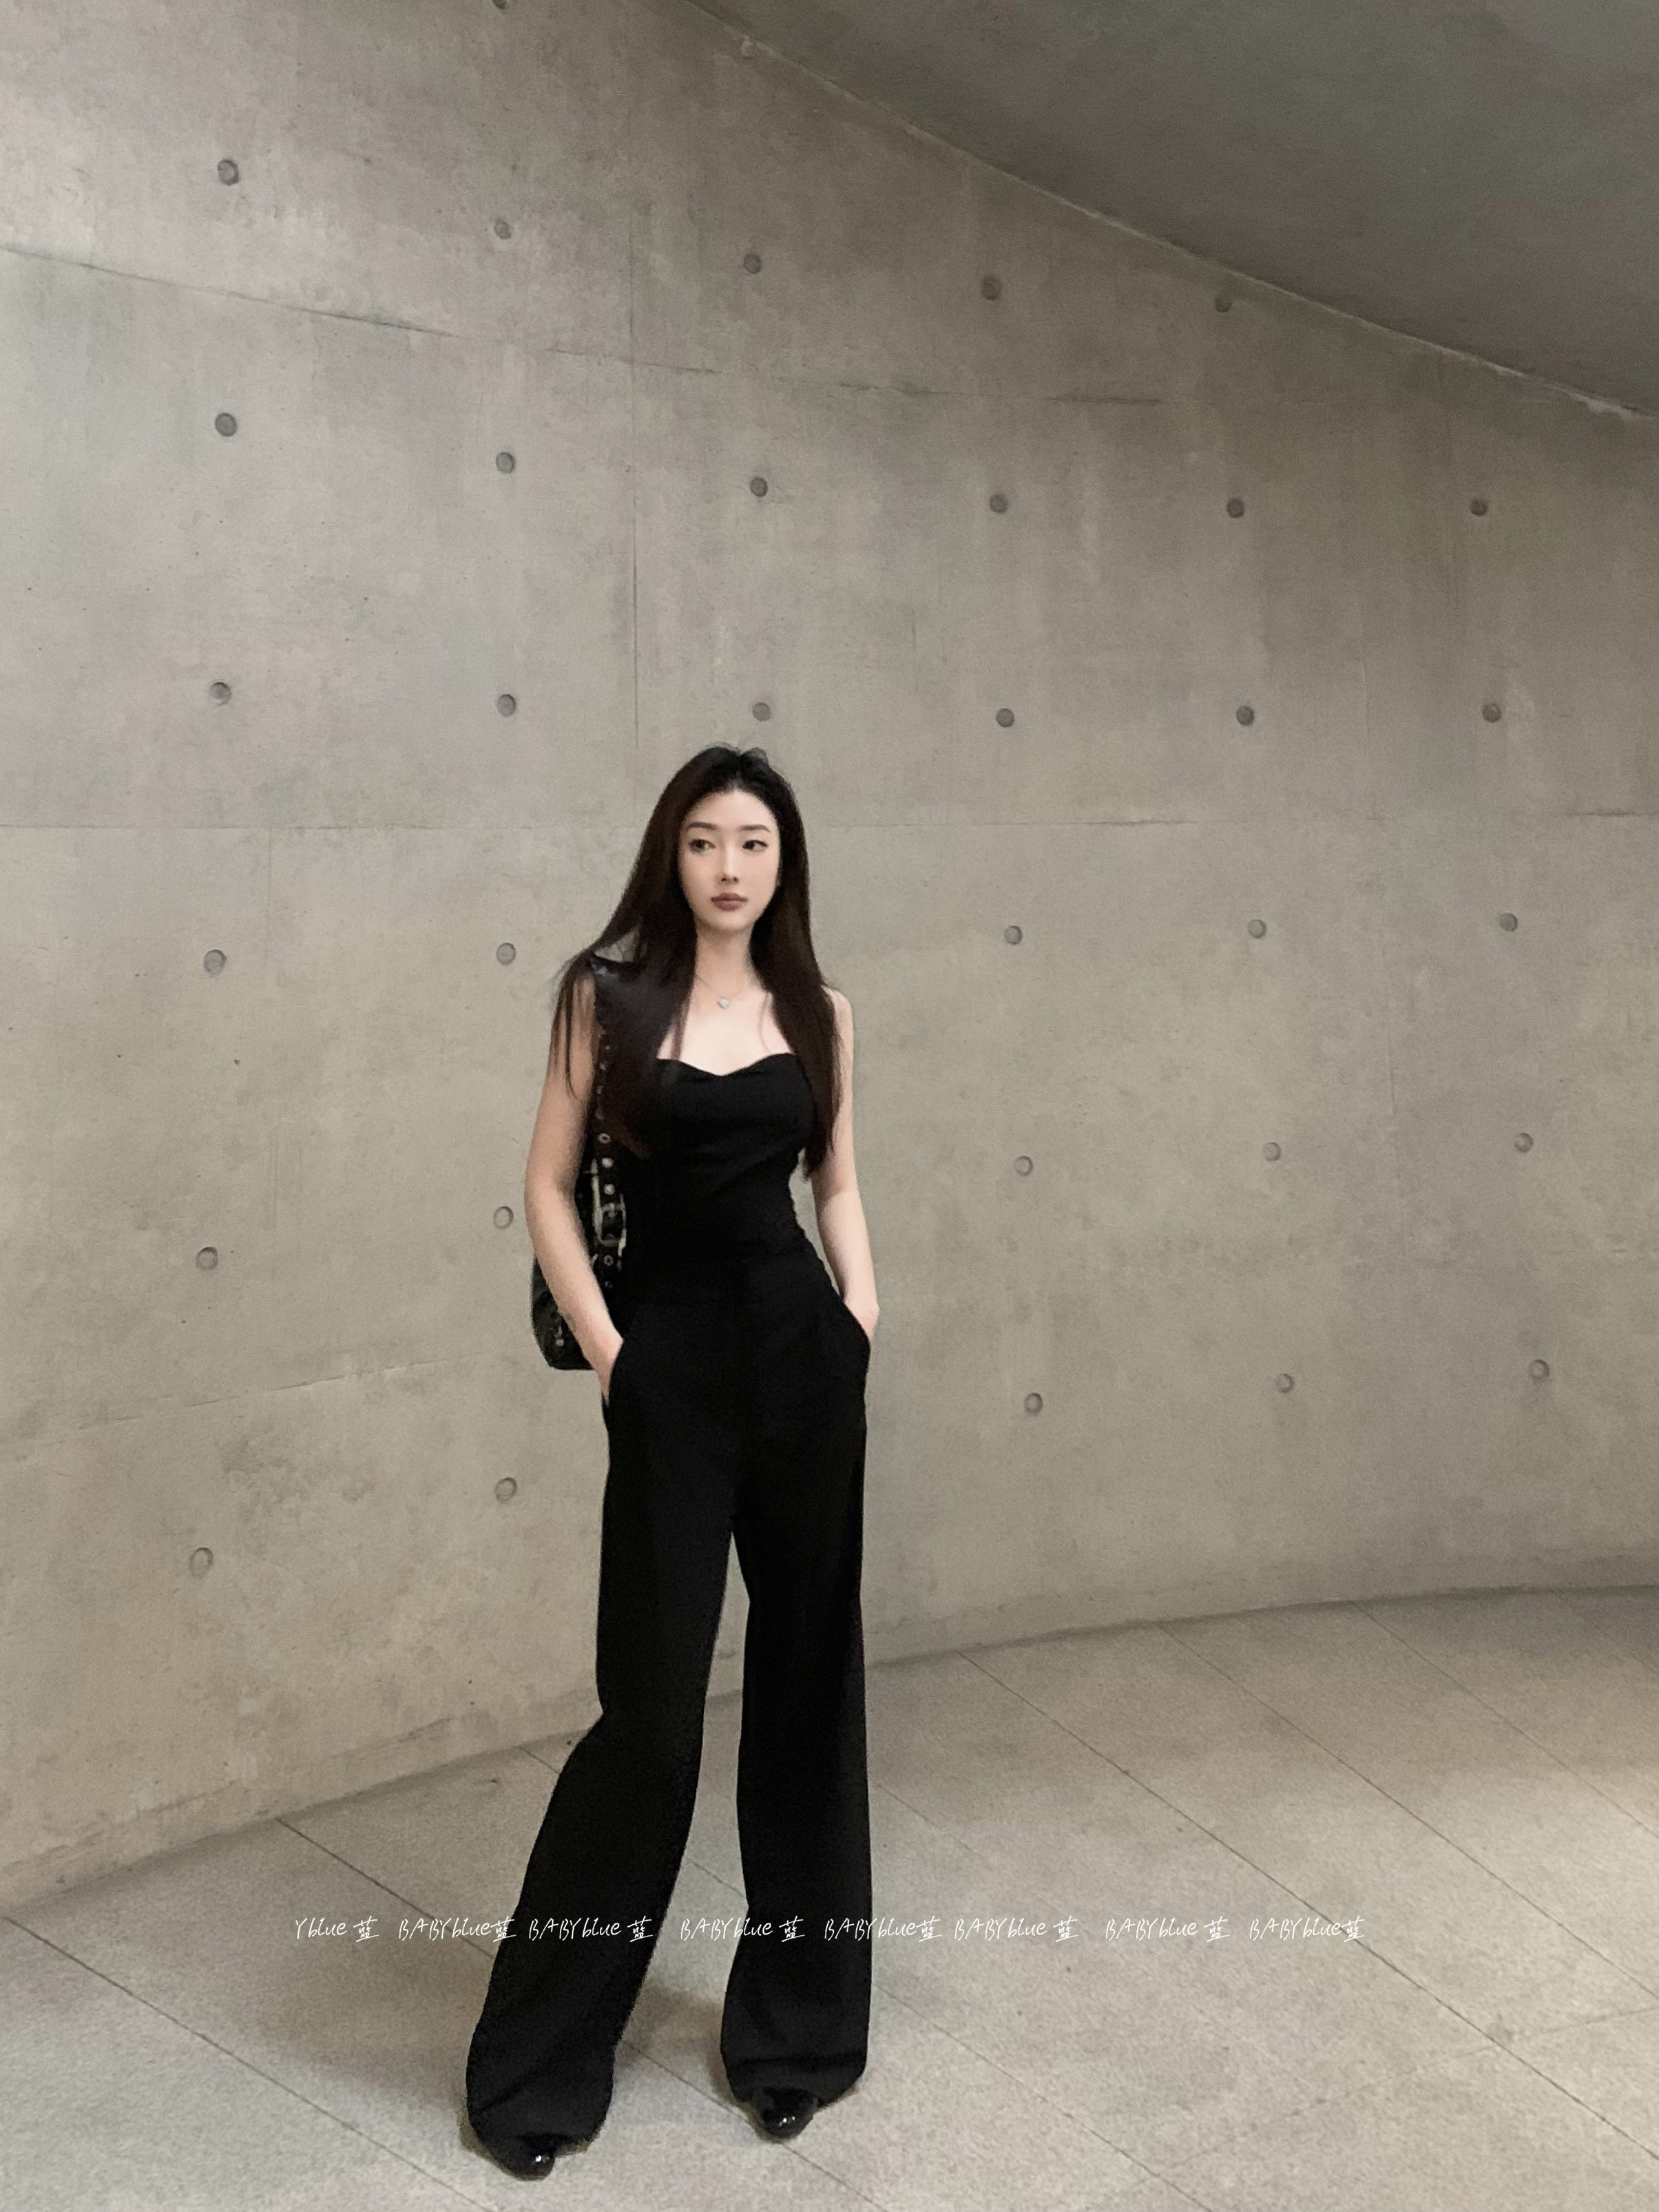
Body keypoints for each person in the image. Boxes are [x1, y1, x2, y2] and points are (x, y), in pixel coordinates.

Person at [464, 746, 878, 2180]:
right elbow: (543, 1183)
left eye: (752, 842)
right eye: (703, 840)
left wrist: (860, 1313)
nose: (727, 866)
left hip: (803, 1366)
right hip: (673, 1378)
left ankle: (797, 2035)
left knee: (808, 1687)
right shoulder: (605, 996)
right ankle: (537, 2070)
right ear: (671, 853)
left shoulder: (819, 1011)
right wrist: (612, 1352)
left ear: (782, 860)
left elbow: (834, 1179)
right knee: (649, 1712)